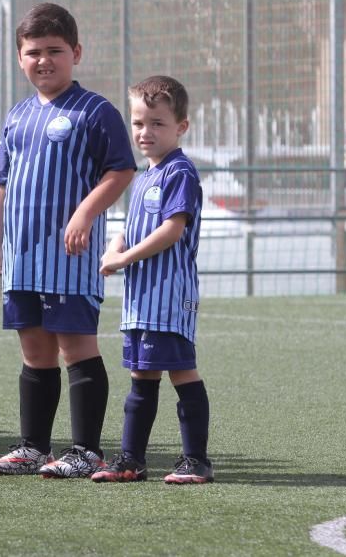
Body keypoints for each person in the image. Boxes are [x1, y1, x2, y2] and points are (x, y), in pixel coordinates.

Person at [0, 2, 136, 476]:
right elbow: (0, 183)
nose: (43, 60)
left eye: (55, 51)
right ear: (19, 58)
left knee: (76, 346)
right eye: (33, 52)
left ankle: (86, 450)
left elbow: (121, 169)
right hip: (23, 256)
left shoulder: (96, 111)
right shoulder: (17, 115)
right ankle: (33, 448)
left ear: (76, 53)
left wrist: (86, 212)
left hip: (69, 257)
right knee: (34, 351)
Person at [93, 75, 213, 484]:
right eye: (139, 122)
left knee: (182, 373)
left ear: (181, 126)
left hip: (169, 296)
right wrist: (114, 248)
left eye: (157, 124)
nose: (146, 132)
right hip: (141, 300)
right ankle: (131, 460)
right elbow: (132, 226)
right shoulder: (144, 175)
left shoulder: (179, 172)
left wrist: (124, 257)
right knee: (142, 375)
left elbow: (171, 230)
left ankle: (196, 460)